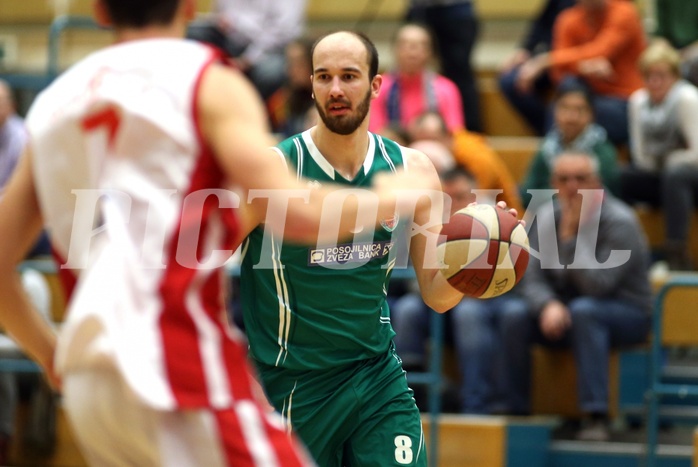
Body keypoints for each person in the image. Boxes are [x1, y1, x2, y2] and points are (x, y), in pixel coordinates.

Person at [0, 2, 426, 465]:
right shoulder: (208, 81)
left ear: (100, 11)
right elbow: (293, 212)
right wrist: (390, 197)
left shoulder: (53, 103)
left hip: (90, 379)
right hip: (175, 360)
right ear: (190, 7)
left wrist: (51, 355)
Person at [239, 31, 511, 466]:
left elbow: (438, 296)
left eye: (349, 76)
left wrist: (475, 265)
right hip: (294, 385)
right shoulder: (271, 172)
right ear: (309, 84)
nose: (336, 90)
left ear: (376, 85)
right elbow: (195, 256)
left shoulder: (413, 168)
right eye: (324, 77)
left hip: (376, 374)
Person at [502, 151, 652, 441]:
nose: (572, 186)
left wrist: (573, 238)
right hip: (569, 310)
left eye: (581, 178)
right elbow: (530, 277)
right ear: (553, 183)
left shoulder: (620, 221)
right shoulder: (547, 216)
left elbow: (598, 285)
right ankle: (516, 412)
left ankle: (597, 416)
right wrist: (548, 305)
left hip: (626, 311)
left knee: (586, 310)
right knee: (514, 314)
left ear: (596, 182)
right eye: (564, 179)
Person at [392, 165, 529, 414]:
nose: (453, 204)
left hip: (492, 302)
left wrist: (472, 282)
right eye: (448, 198)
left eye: (461, 197)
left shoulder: (499, 221)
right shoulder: (429, 222)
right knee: (408, 310)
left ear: (476, 198)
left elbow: (521, 277)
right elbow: (414, 281)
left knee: (471, 313)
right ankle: (410, 396)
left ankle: (476, 406)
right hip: (439, 306)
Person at [515, 0, 646, 146]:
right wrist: (582, 68)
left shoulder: (624, 13)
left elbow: (600, 52)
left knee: (573, 111)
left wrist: (547, 59)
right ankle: (552, 157)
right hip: (590, 96)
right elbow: (559, 73)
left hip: (625, 101)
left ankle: (558, 154)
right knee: (568, 100)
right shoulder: (568, 19)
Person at [619, 39, 698, 270]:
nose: (655, 82)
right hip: (662, 175)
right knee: (621, 177)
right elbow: (640, 156)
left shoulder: (688, 98)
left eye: (662, 75)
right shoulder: (638, 102)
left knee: (676, 173)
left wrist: (668, 160)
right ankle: (624, 248)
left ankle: (677, 252)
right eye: (649, 76)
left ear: (675, 76)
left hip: (689, 177)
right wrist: (667, 160)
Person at [521, 82, 619, 205]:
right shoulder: (547, 147)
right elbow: (527, 193)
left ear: (592, 114)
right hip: (549, 217)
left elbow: (601, 194)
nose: (572, 117)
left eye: (579, 109)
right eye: (565, 108)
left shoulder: (603, 151)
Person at [408, 110, 524, 214]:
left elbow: (472, 204)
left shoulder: (475, 157)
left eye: (432, 140)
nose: (425, 147)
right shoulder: (425, 157)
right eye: (419, 141)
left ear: (447, 136)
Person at [188, 0, 308, 99]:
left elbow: (283, 32)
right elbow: (218, 16)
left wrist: (248, 59)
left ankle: (254, 117)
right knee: (193, 32)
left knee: (269, 73)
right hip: (229, 41)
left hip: (270, 49)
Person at [369, 22, 464, 135]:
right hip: (389, 148)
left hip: (432, 148)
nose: (412, 50)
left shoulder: (446, 88)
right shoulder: (378, 86)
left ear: (430, 52)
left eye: (420, 45)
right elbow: (374, 132)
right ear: (394, 49)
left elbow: (454, 134)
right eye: (405, 44)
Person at [498, 0, 575, 135]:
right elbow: (542, 23)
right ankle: (551, 135)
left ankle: (557, 135)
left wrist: (547, 60)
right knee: (511, 81)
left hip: (574, 63)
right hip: (550, 58)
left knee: (568, 87)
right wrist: (524, 50)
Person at [406, 0, 482, 132]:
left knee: (459, 75)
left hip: (455, 8)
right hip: (419, 7)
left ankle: (468, 133)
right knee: (409, 68)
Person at [266, 37, 317, 138]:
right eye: (288, 62)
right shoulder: (281, 99)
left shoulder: (324, 103)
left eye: (298, 63)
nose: (289, 69)